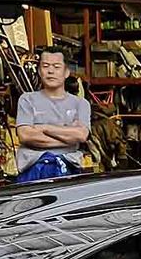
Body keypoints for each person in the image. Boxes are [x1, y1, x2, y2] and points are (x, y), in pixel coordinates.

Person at [15, 47, 91, 181]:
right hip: (33, 170)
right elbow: (25, 136)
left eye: (56, 67)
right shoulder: (27, 99)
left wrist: (43, 128)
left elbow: (81, 135)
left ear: (66, 72)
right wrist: (68, 139)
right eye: (45, 66)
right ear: (39, 71)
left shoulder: (81, 104)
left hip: (68, 169)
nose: (50, 71)